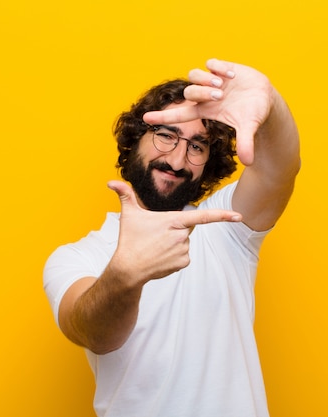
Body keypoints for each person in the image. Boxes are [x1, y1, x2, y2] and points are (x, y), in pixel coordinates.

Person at [43, 58, 301, 417]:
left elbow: (280, 169)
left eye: (197, 146)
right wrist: (125, 275)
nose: (178, 160)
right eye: (166, 136)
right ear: (135, 140)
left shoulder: (225, 226)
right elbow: (92, 333)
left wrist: (270, 104)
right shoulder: (75, 257)